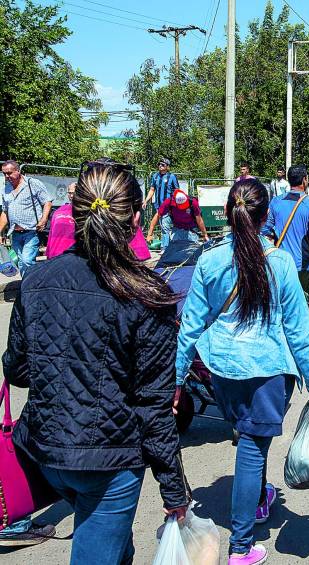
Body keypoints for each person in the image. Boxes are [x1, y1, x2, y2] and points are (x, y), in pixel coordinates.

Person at [2, 158, 189, 564]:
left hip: (45, 451)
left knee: (114, 548)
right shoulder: (147, 295)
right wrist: (175, 489)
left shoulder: (37, 280)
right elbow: (154, 409)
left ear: (75, 212)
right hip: (108, 465)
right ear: (136, 217)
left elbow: (16, 369)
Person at [176, 178, 309, 565]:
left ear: (227, 213)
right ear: (265, 218)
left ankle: (258, 499)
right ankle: (241, 547)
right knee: (252, 451)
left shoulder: (209, 261)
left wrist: (176, 383)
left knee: (248, 437)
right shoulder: (279, 262)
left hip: (222, 372)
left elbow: (190, 326)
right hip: (267, 374)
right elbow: (298, 330)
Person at [262, 165, 309, 306]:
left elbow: (265, 232)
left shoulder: (276, 202)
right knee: (301, 306)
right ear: (304, 180)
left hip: (279, 264)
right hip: (302, 266)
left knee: (280, 305)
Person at [0, 160, 53, 276]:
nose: (6, 176)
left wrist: (43, 220)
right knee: (21, 263)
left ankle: (32, 286)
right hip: (15, 233)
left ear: (18, 171)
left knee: (27, 260)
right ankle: (27, 287)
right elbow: (5, 212)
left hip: (32, 231)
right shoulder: (6, 189)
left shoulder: (32, 183)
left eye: (9, 173)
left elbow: (47, 202)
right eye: (4, 173)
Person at [143, 157, 179, 250]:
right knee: (164, 226)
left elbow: (177, 191)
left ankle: (165, 248)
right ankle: (169, 246)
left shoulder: (172, 177)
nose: (160, 166)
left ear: (167, 166)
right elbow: (152, 190)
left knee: (165, 226)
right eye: (159, 164)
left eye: (162, 165)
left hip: (168, 206)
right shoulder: (155, 176)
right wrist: (146, 200)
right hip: (158, 206)